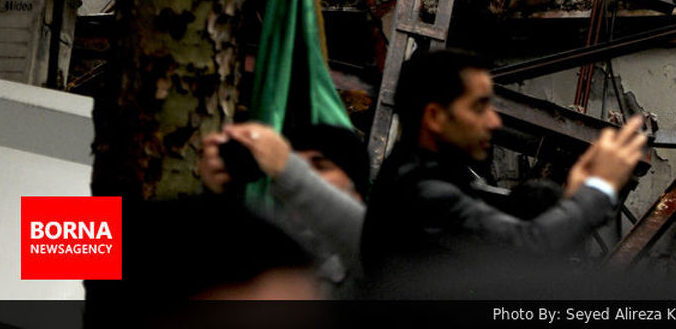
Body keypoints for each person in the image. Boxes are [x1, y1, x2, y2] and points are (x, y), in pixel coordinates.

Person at [361, 49, 646, 295]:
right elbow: (527, 249)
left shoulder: (427, 174)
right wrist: (599, 188)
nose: (494, 121)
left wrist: (572, 197)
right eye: (479, 106)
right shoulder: (421, 193)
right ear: (435, 117)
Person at [199, 121, 367, 296]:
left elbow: (369, 247)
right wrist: (220, 195)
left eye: (320, 166)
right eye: (298, 166)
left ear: (357, 189)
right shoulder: (263, 247)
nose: (307, 175)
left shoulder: (377, 267)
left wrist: (287, 167)